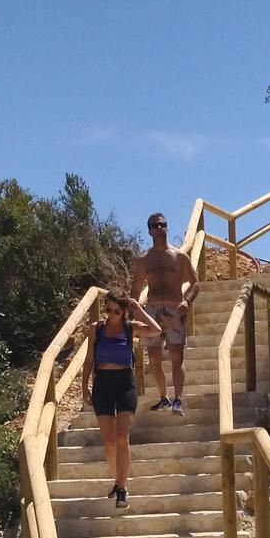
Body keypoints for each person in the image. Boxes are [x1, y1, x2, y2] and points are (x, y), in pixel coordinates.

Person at [81, 290, 159, 510]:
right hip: (102, 383)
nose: (112, 315)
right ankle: (117, 480)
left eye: (117, 311)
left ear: (124, 311)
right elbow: (89, 360)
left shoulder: (129, 327)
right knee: (109, 443)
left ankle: (122, 487)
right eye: (108, 310)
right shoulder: (96, 329)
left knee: (123, 438)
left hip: (125, 382)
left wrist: (139, 310)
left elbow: (156, 330)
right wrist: (84, 386)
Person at [130, 211, 197, 416]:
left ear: (167, 228)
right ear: (149, 231)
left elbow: (195, 284)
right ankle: (163, 397)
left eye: (162, 225)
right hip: (151, 310)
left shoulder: (179, 256)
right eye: (155, 226)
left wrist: (187, 301)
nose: (159, 228)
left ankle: (178, 399)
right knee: (154, 356)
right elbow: (136, 289)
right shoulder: (144, 261)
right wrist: (132, 311)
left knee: (176, 354)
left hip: (174, 308)